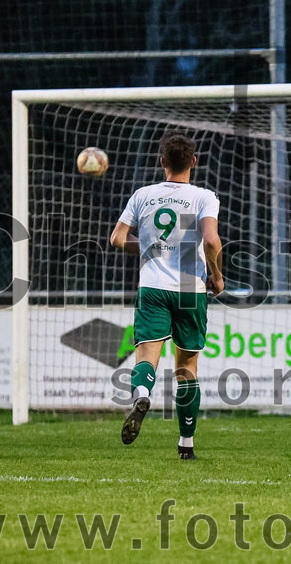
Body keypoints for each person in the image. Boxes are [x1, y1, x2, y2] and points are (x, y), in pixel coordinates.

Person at [109, 132, 224, 460]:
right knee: (187, 365)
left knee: (146, 356)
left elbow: (117, 239)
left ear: (162, 162)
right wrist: (216, 275)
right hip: (190, 284)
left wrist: (149, 248)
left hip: (154, 285)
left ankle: (142, 393)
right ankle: (186, 444)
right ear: (194, 162)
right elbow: (212, 241)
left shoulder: (143, 195)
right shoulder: (203, 197)